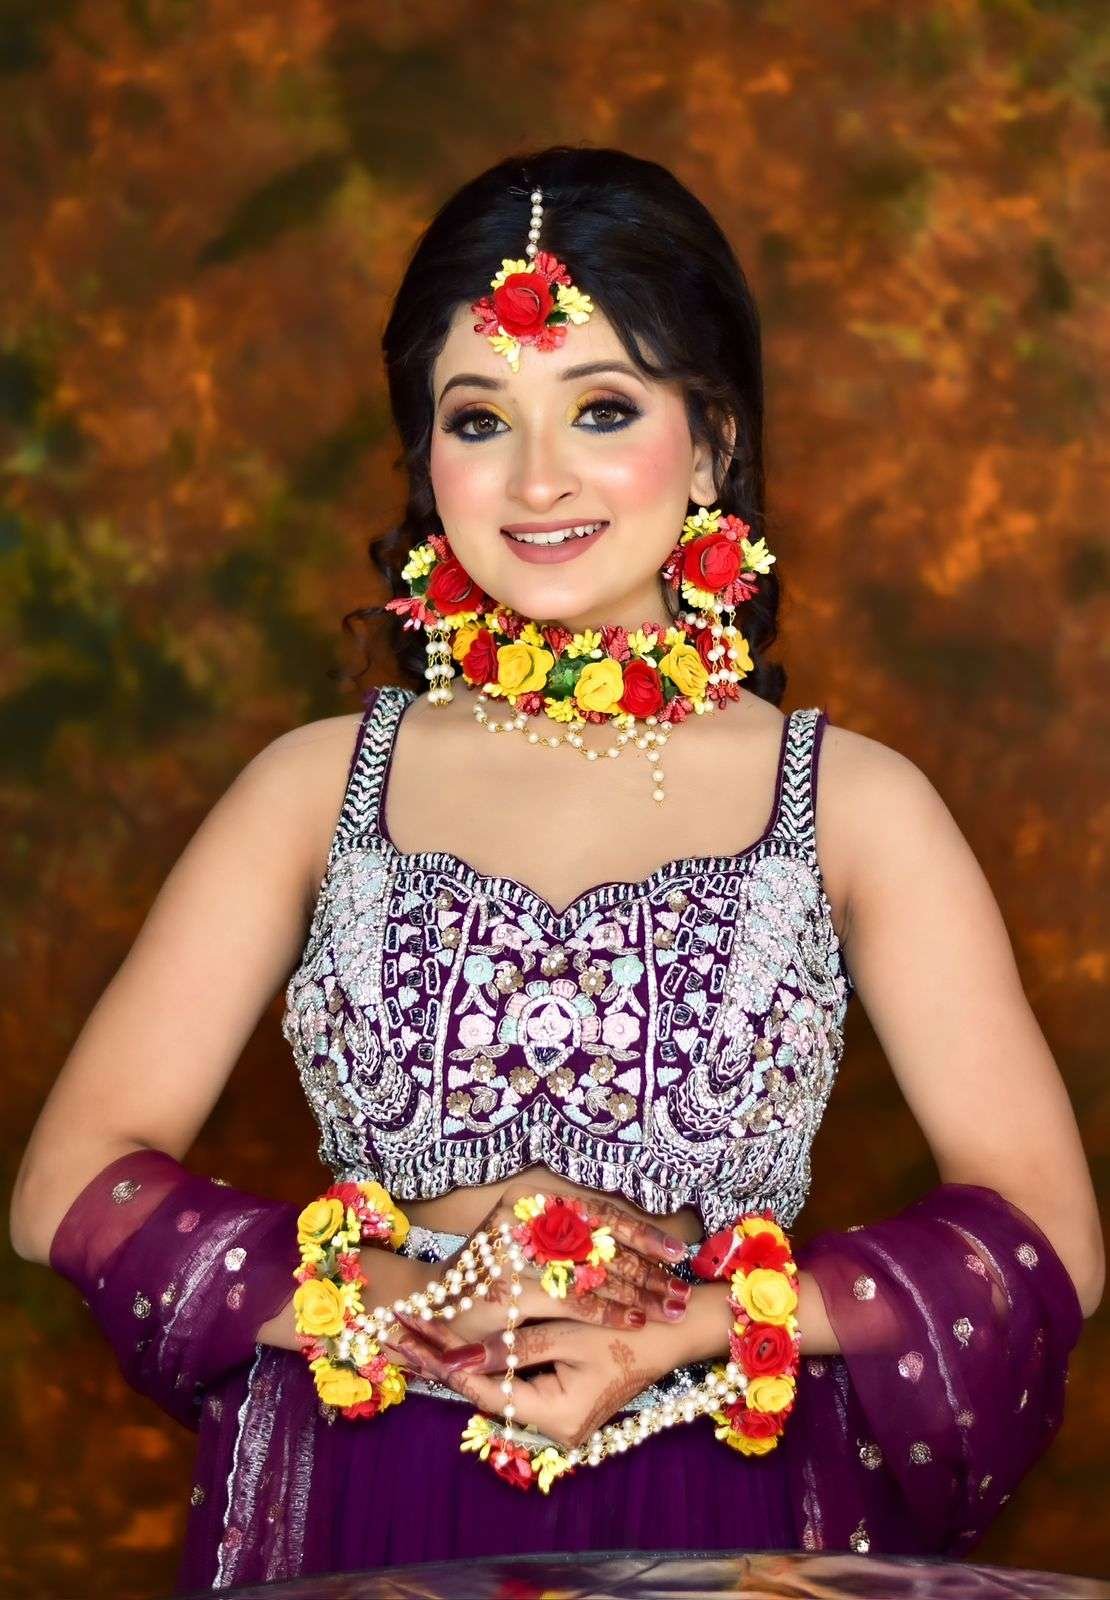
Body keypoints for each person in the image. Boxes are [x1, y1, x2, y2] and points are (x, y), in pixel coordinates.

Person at [10, 145, 1102, 1594]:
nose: (536, 479)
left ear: (710, 444)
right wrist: (409, 1301)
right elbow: (67, 1186)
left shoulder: (850, 805)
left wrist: (689, 1326)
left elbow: (1042, 1236)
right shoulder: (317, 788)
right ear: (426, 459)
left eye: (602, 408)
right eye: (479, 419)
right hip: (369, 1485)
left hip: (725, 1494)